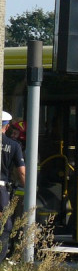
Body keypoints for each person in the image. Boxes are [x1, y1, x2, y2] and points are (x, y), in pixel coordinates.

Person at [0, 112, 27, 262]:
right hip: (1, 190)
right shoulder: (13, 145)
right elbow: (22, 173)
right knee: (5, 225)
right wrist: (29, 190)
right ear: (7, 126)